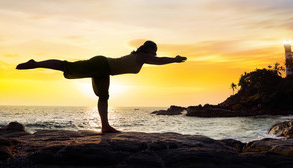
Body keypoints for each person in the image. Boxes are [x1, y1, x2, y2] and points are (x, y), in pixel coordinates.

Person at [16, 40, 187, 133]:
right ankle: (35, 63)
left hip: (105, 70)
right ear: (149, 49)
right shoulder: (142, 56)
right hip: (101, 64)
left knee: (103, 97)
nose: (155, 53)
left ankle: (105, 126)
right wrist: (174, 59)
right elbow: (158, 61)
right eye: (154, 50)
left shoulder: (139, 56)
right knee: (69, 66)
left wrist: (172, 60)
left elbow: (156, 60)